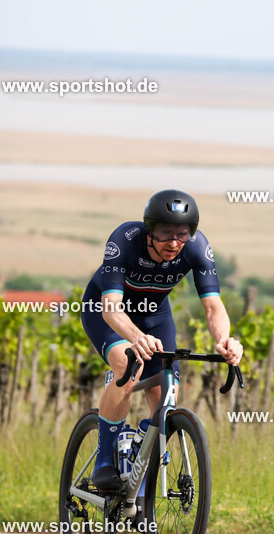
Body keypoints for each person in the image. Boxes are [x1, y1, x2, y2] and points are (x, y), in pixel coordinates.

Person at [81, 189, 243, 493]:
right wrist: (136, 337)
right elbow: (111, 308)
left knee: (167, 395)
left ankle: (142, 468)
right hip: (106, 311)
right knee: (127, 366)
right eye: (165, 233)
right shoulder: (124, 239)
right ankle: (104, 461)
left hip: (154, 314)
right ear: (149, 229)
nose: (174, 242)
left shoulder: (197, 246)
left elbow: (213, 307)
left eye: (182, 234)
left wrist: (225, 340)